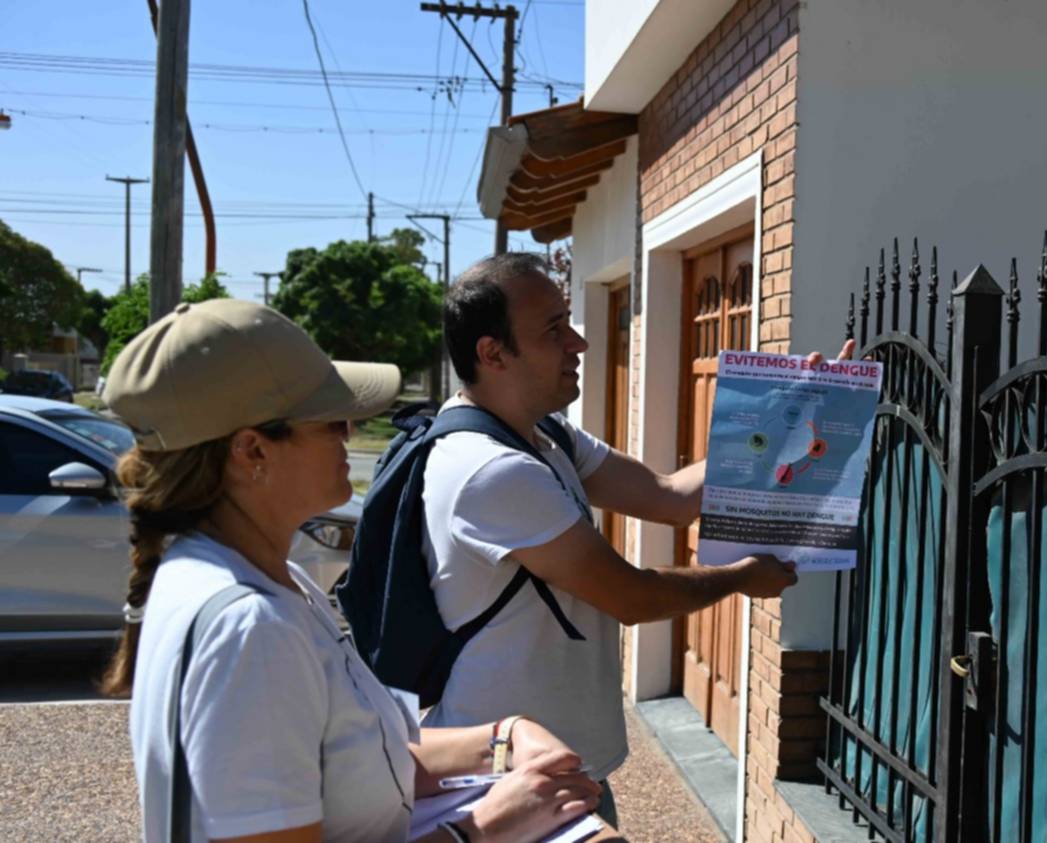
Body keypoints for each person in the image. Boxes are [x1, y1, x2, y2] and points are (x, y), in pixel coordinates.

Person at [102, 298, 608, 843]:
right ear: (252, 451)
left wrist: (504, 738)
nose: (350, 433)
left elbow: (364, 750)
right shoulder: (253, 629)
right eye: (331, 420)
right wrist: (482, 829)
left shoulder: (263, 577)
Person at [420, 253, 855, 822]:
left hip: (560, 765)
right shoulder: (492, 468)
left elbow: (668, 495)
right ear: (492, 352)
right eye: (554, 330)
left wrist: (787, 417)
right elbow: (631, 597)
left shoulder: (544, 437)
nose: (578, 343)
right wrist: (742, 578)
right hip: (509, 782)